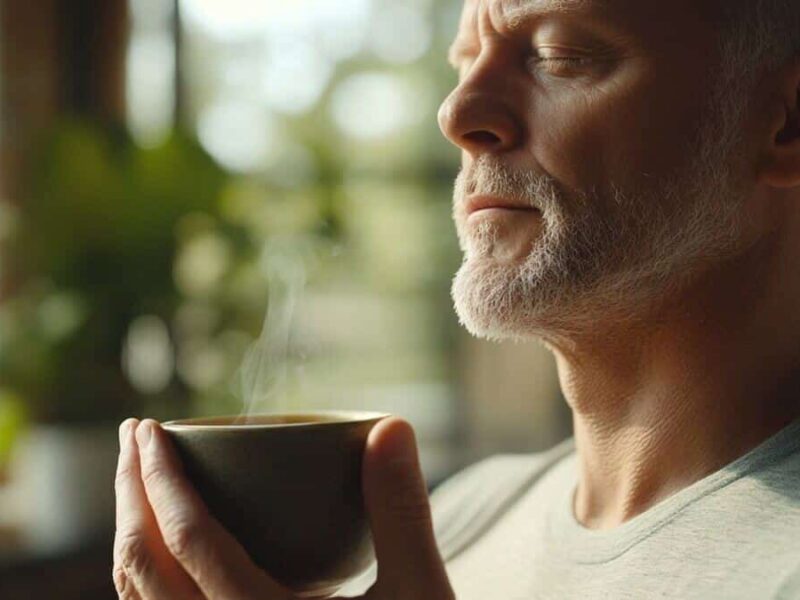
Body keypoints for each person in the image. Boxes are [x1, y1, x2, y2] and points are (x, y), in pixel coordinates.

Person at [113, 0, 800, 598]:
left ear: (785, 125)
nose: (457, 112)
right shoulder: (453, 520)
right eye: (465, 60)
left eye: (559, 54)